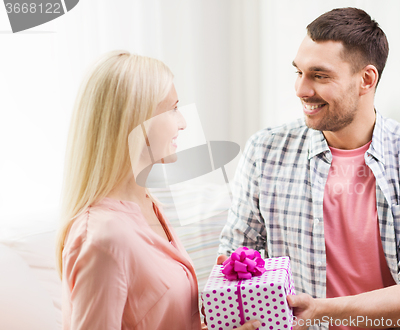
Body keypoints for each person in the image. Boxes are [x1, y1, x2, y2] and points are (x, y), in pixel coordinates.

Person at [218, 7, 400, 330]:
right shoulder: (265, 150)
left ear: (366, 79)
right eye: (298, 72)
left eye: (319, 75)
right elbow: (235, 257)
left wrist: (322, 311)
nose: (301, 89)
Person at [56, 51, 260, 330]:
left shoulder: (148, 205)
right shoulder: (103, 237)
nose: (183, 123)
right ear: (133, 120)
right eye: (173, 109)